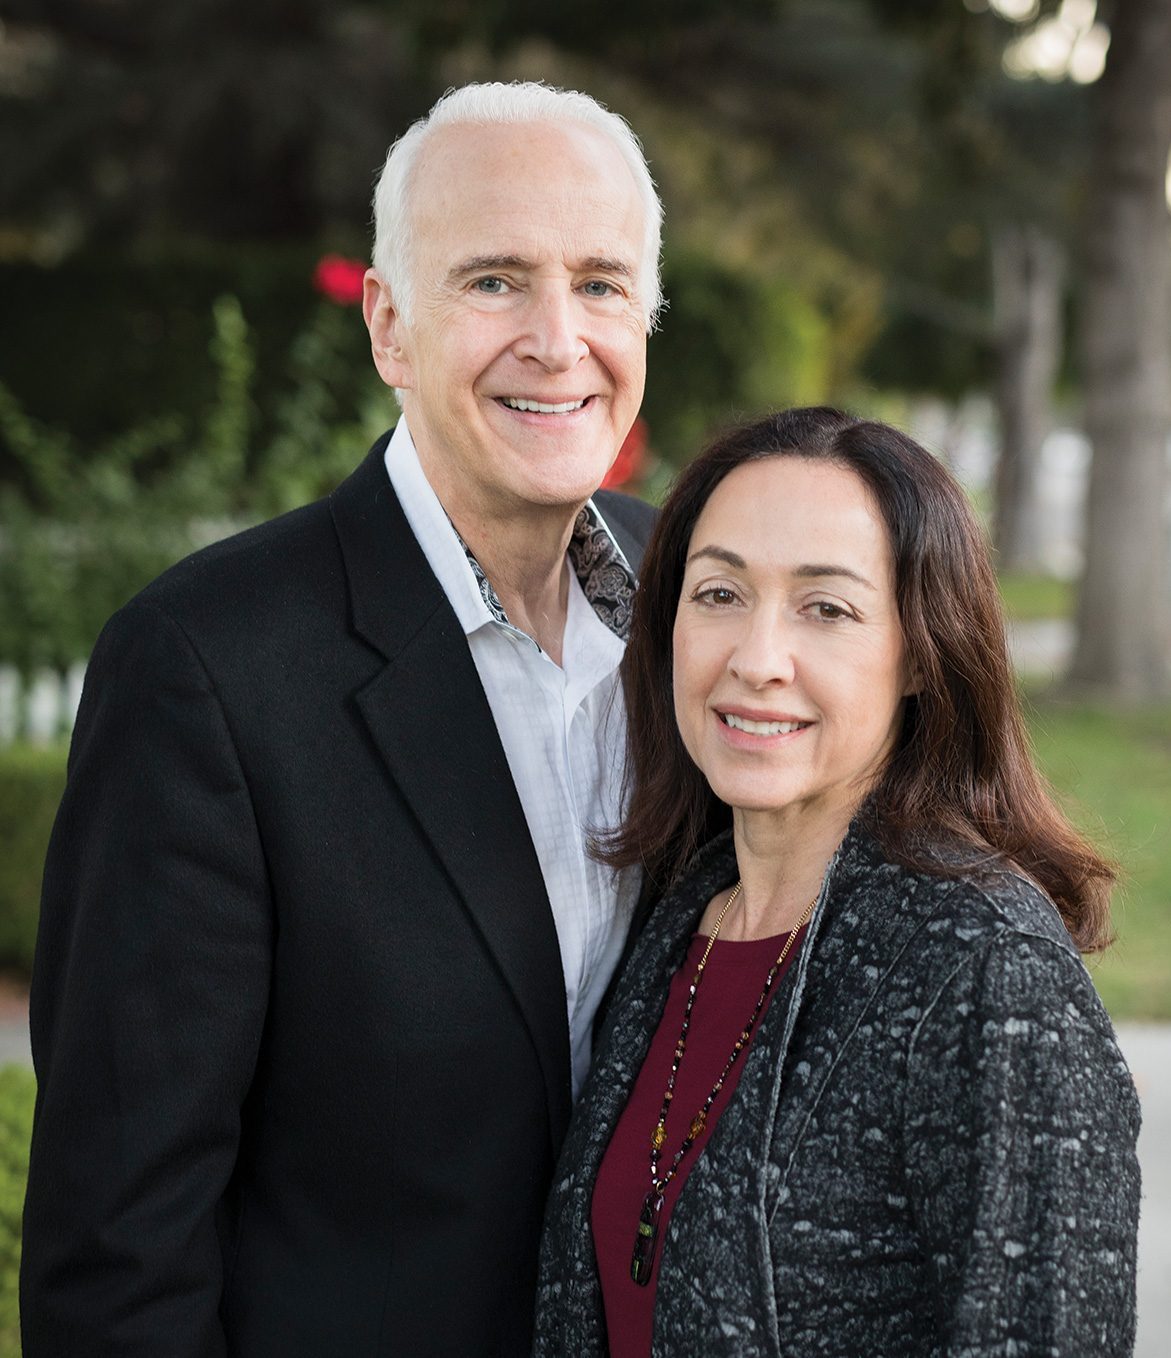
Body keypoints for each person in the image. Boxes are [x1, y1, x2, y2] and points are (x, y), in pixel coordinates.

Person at [21, 81, 660, 1357]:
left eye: (599, 282)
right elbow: (119, 1244)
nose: (557, 338)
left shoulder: (700, 602)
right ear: (388, 325)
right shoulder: (205, 667)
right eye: (494, 280)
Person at [535, 406, 1141, 1358]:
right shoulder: (678, 914)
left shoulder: (987, 972)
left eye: (826, 609)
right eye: (719, 593)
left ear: (920, 653)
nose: (755, 660)